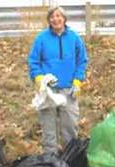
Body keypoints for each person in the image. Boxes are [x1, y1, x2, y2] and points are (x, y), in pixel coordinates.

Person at [28, 6, 88, 154]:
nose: (55, 19)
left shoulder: (74, 38)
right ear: (49, 20)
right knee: (49, 130)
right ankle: (51, 162)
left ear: (64, 18)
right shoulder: (41, 39)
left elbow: (82, 61)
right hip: (48, 92)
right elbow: (33, 62)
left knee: (70, 127)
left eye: (58, 16)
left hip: (69, 90)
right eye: (52, 17)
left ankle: (70, 160)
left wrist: (77, 82)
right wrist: (41, 80)